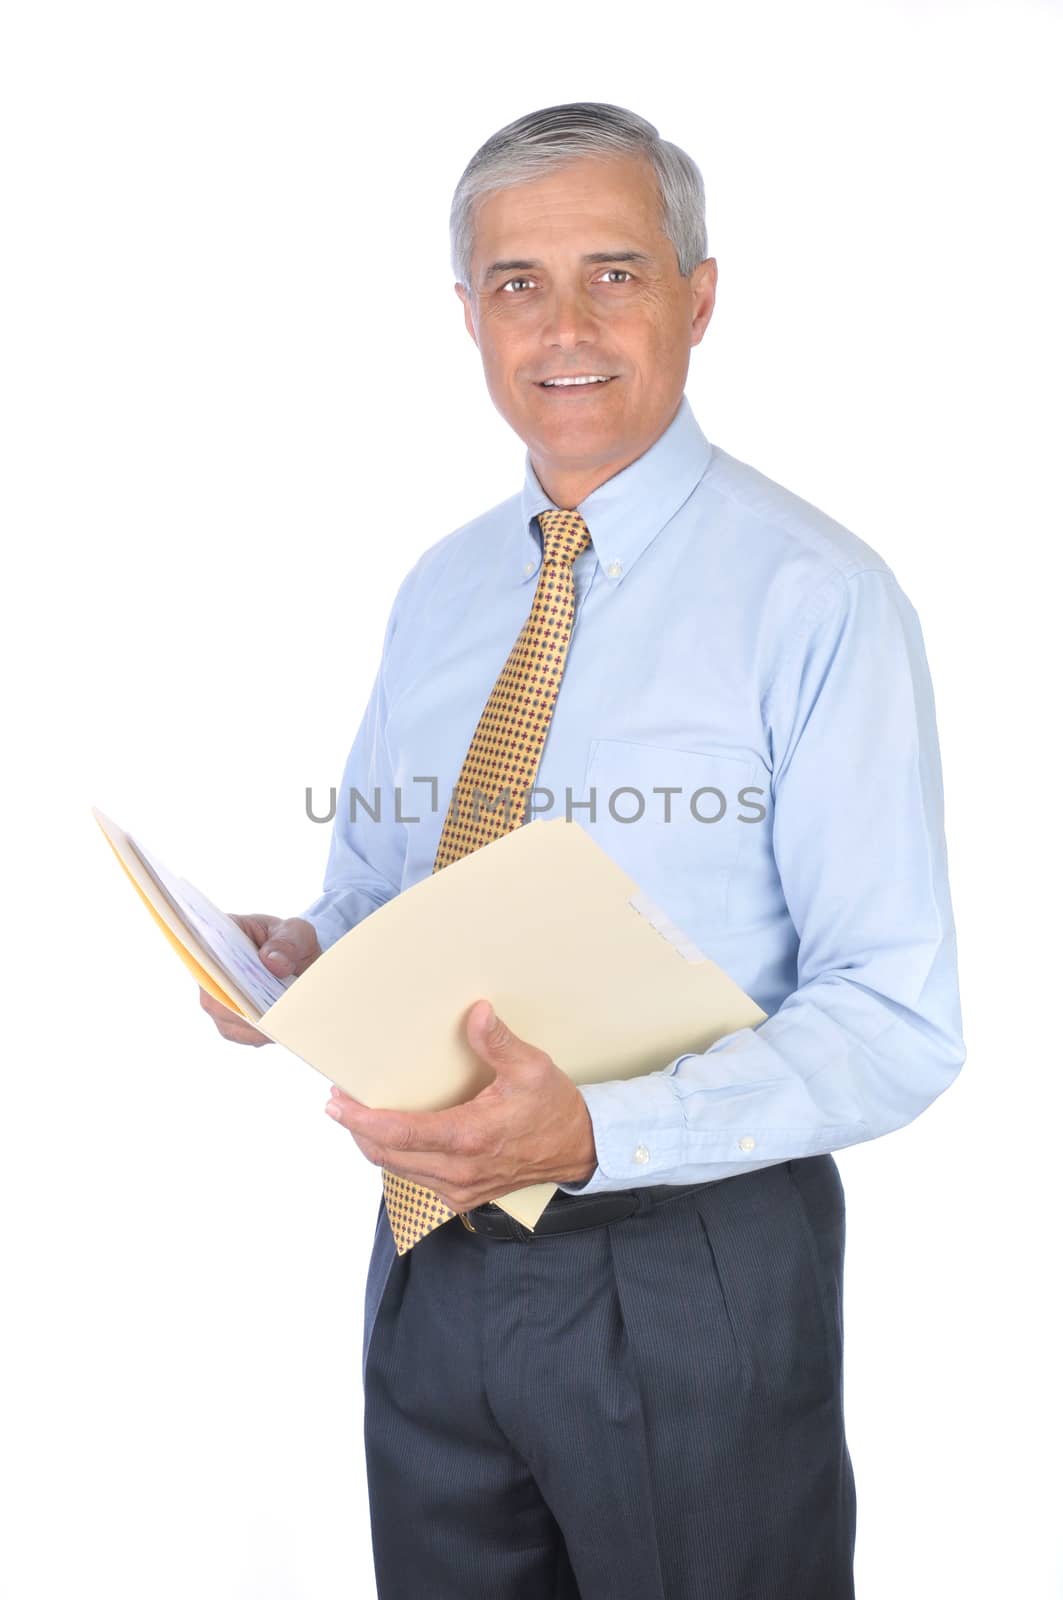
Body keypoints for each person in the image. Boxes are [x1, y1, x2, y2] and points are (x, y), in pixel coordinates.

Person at [200, 101, 965, 1599]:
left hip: (694, 1272)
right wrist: (300, 955)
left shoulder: (819, 600)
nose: (564, 326)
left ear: (700, 294)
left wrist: (601, 1137)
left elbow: (899, 1018)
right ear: (470, 317)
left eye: (614, 271)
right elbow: (377, 888)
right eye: (516, 283)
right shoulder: (443, 590)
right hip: (433, 1259)